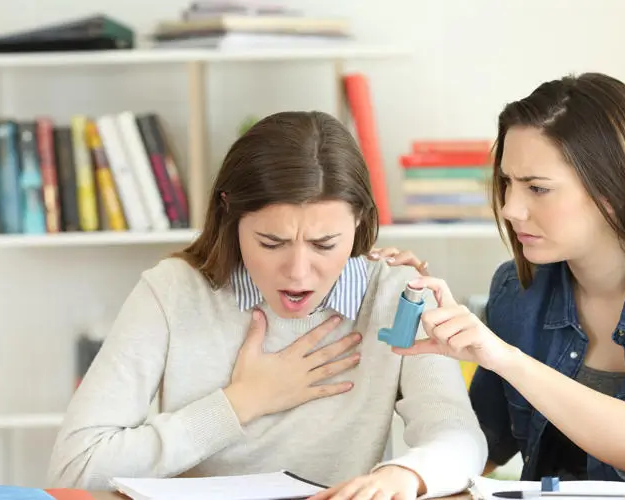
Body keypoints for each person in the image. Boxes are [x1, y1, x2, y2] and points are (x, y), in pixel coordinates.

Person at [47, 110, 487, 499]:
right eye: (271, 242)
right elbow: (75, 466)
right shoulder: (172, 291)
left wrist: (407, 473)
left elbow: (460, 436)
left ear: (359, 220)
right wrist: (239, 403)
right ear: (230, 213)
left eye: (324, 243)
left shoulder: (398, 296)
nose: (298, 272)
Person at [369, 72, 625, 482]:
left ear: (612, 191)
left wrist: (505, 358)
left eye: (537, 188)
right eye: (507, 183)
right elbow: (479, 445)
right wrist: (401, 304)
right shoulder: (517, 290)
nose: (511, 208)